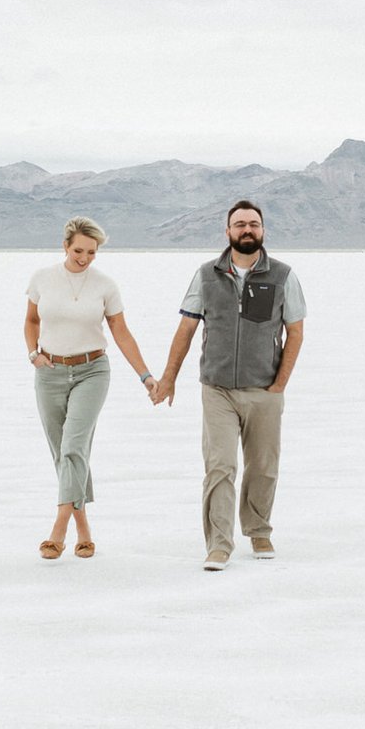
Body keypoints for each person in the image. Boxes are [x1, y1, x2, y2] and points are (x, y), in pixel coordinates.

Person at [151, 199, 305, 570]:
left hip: (264, 389)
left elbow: (295, 332)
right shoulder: (206, 275)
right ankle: (219, 544)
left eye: (253, 224)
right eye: (239, 224)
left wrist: (279, 384)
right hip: (217, 388)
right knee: (219, 466)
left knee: (262, 466)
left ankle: (259, 530)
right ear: (228, 232)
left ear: (263, 231)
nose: (247, 229)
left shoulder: (283, 276)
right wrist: (168, 378)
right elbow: (186, 328)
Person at [25, 217, 154, 560]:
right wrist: (33, 354)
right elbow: (32, 320)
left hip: (92, 371)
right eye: (79, 250)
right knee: (64, 454)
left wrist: (145, 376)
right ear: (65, 246)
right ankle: (85, 531)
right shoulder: (42, 279)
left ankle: (58, 529)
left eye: (92, 252)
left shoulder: (105, 285)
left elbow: (121, 332)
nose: (84, 258)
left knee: (73, 446)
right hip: (49, 372)